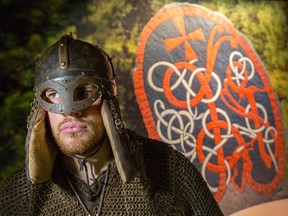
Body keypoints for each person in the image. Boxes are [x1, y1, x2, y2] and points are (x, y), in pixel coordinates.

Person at [0, 34, 223, 215]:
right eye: (53, 95)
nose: (70, 111)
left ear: (110, 101)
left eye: (85, 92)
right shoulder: (16, 198)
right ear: (40, 109)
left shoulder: (167, 169)